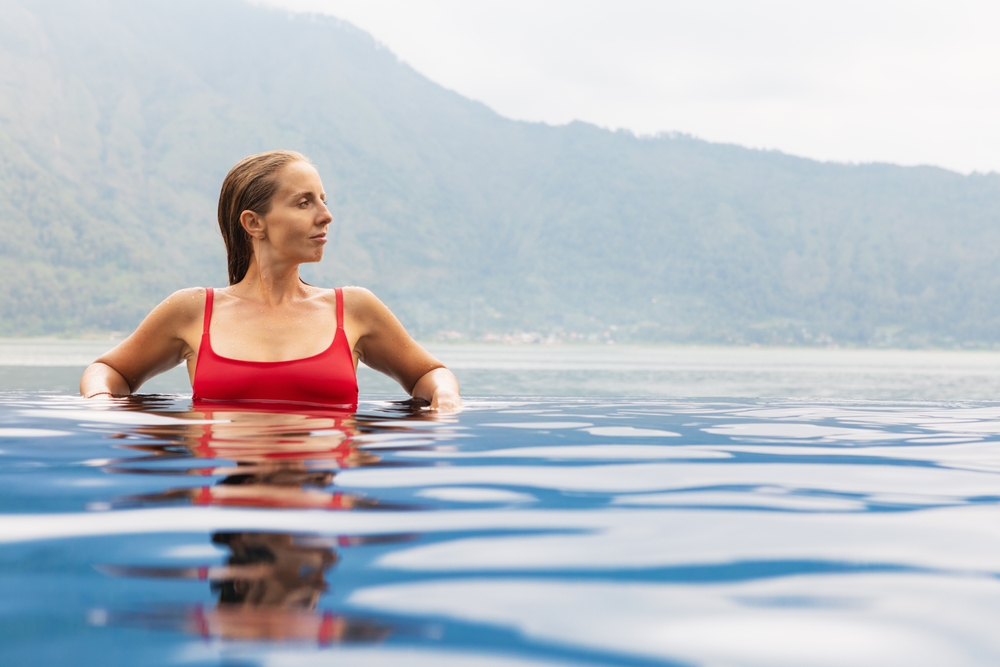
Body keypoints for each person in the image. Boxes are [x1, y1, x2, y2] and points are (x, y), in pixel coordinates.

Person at [80, 150, 461, 411]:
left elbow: (429, 374)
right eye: (304, 202)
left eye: (324, 200)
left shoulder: (355, 309)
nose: (326, 215)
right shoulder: (192, 311)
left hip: (323, 511)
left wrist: (444, 396)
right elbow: (109, 371)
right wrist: (100, 402)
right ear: (253, 222)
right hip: (232, 504)